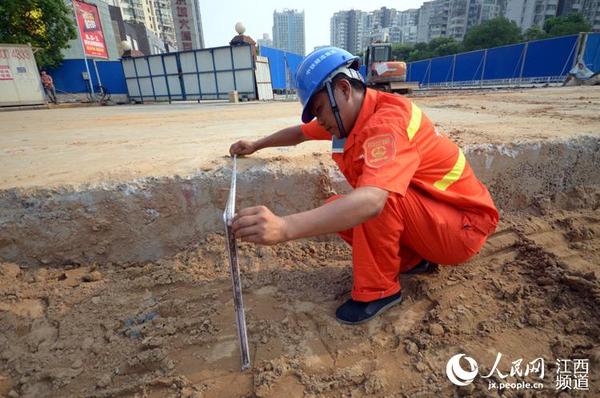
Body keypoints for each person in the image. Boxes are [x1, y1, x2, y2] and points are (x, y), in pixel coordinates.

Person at [229, 47, 499, 325]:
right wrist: (256, 145)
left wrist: (284, 227)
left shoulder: (387, 123)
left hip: (463, 228)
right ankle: (413, 261)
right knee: (338, 209)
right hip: (438, 220)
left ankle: (379, 291)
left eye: (319, 110)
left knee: (376, 199)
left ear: (344, 89)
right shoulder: (351, 114)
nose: (319, 121)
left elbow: (372, 201)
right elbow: (299, 133)